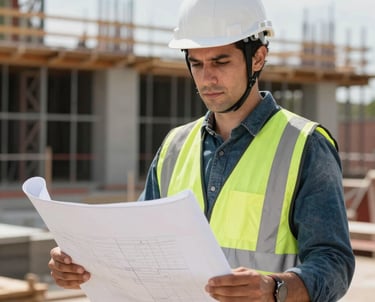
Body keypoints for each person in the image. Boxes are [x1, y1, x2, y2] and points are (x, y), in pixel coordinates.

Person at [48, 0, 355, 301]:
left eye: (221, 62)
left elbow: (334, 262)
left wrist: (275, 288)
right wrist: (84, 264)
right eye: (196, 63)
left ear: (258, 58)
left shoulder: (305, 145)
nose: (207, 78)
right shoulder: (174, 146)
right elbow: (138, 244)